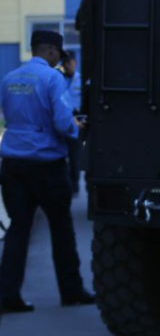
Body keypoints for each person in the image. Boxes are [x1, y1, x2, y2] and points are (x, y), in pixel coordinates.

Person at [0, 30, 94, 313]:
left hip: (13, 164)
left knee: (18, 229)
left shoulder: (10, 78)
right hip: (47, 165)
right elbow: (63, 123)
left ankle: (8, 295)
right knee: (61, 228)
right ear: (52, 50)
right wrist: (78, 127)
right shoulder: (52, 78)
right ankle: (71, 291)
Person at [58, 50, 83, 196]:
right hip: (61, 121)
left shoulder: (81, 80)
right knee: (60, 156)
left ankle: (74, 186)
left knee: (75, 157)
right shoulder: (58, 80)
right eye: (64, 63)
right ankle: (64, 185)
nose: (66, 65)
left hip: (76, 122)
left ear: (75, 62)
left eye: (69, 62)